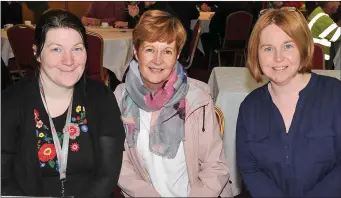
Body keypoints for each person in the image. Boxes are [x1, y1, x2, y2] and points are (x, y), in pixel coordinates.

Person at [1, 9, 125, 198]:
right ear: (37, 53)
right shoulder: (11, 103)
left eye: (77, 48)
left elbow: (107, 176)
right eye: (56, 49)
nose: (69, 61)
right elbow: (3, 181)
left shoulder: (101, 97)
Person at [114, 10, 232, 197]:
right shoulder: (120, 99)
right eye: (150, 49)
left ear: (177, 55)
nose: (158, 60)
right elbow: (119, 162)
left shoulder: (197, 99)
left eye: (167, 51)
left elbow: (215, 167)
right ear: (136, 51)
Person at [236, 8, 341, 197]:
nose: (278, 57)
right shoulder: (249, 107)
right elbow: (250, 168)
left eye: (288, 46)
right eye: (268, 48)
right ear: (256, 54)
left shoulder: (335, 95)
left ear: (303, 47)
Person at [307, 1, 341, 69]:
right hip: (318, 58)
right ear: (330, 3)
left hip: (315, 56)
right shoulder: (321, 17)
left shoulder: (319, 13)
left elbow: (334, 29)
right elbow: (337, 35)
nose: (339, 4)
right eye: (337, 1)